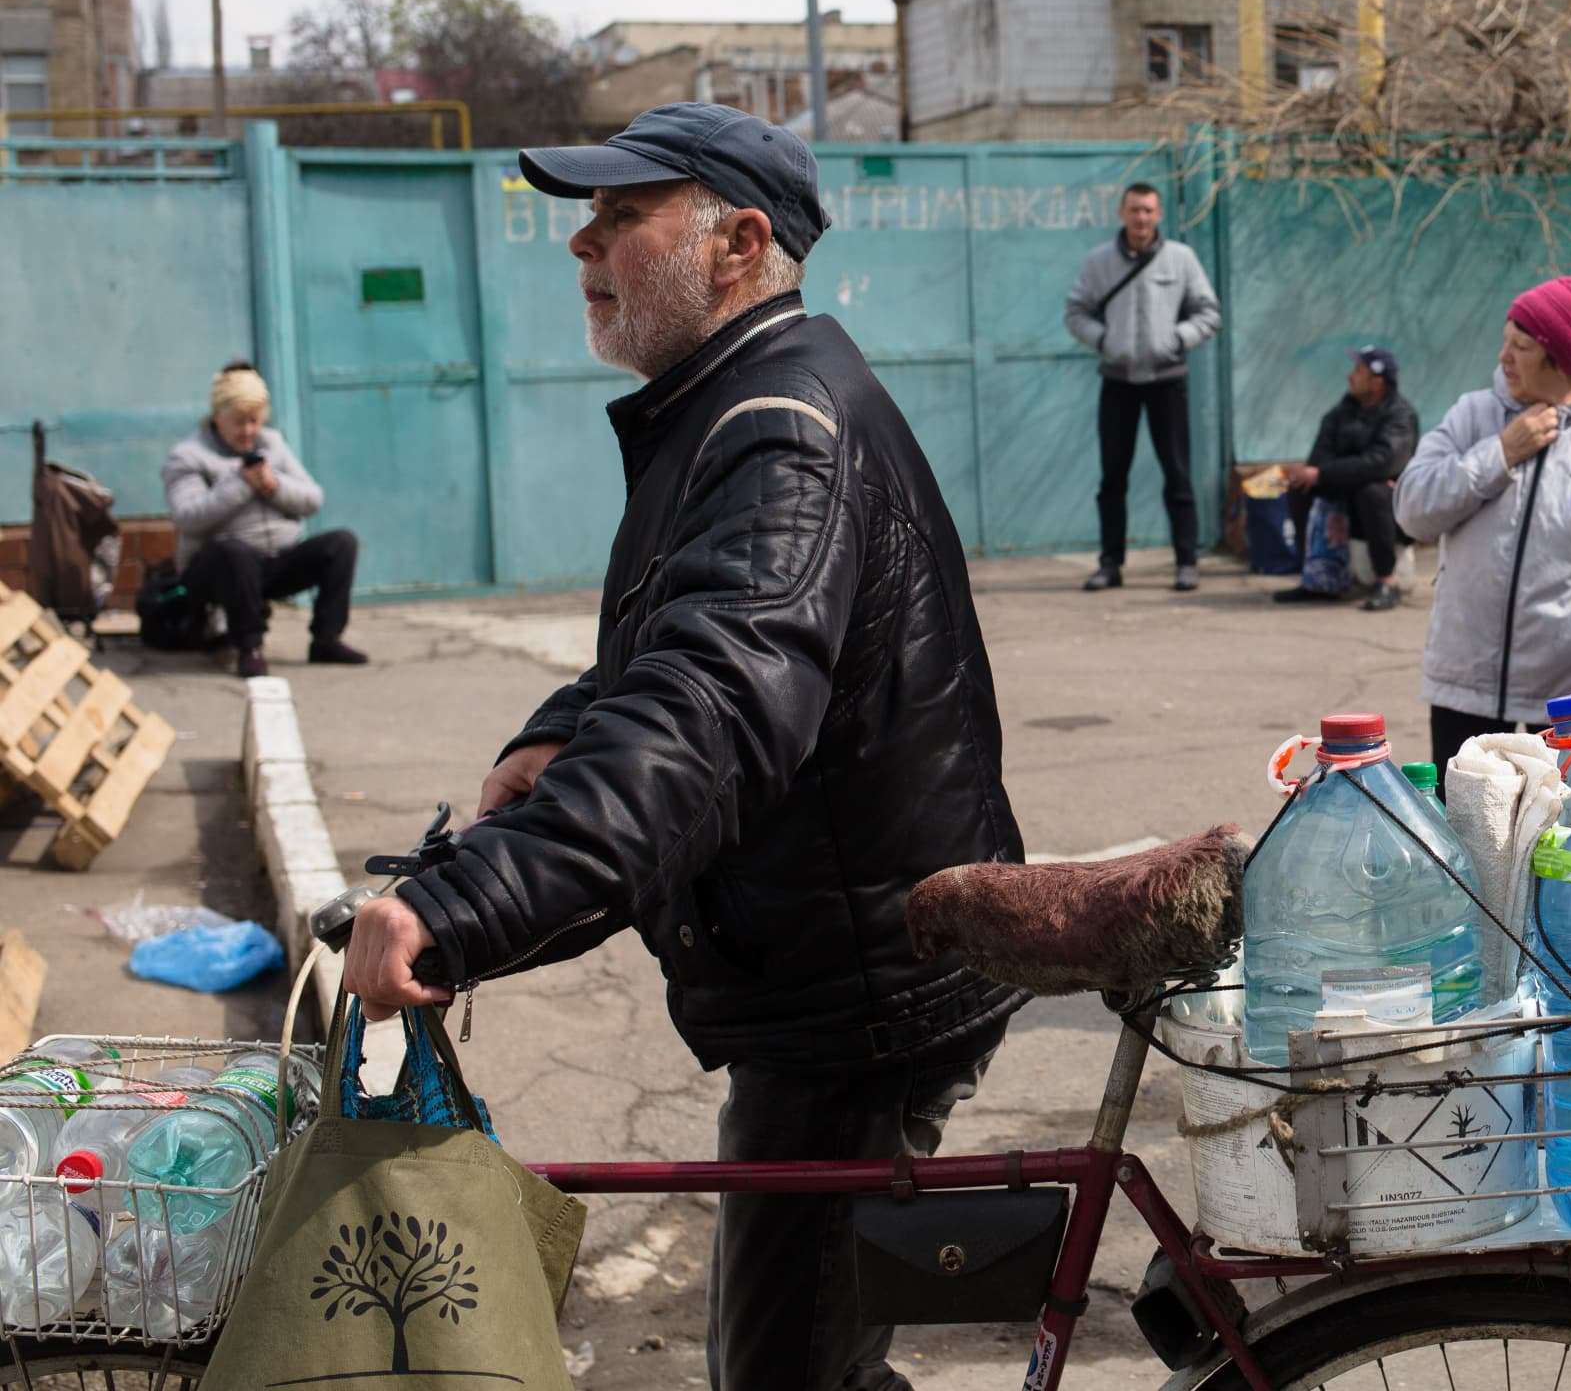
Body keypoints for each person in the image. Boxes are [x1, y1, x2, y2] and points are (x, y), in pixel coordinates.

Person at [339, 103, 1026, 1391]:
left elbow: (707, 718)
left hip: (857, 998)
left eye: (620, 216)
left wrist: (459, 907)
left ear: (738, 244)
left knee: (784, 1375)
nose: (581, 243)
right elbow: (684, 638)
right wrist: (562, 730)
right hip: (830, 972)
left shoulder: (779, 428)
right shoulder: (736, 401)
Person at [1395, 277, 1571, 777]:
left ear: (1563, 360)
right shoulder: (1472, 416)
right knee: (1470, 820)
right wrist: (1501, 453)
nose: (1503, 356)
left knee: (1567, 821)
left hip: (1570, 688)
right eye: (1505, 340)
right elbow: (1412, 509)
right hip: (1465, 680)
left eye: (1521, 346)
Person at [160, 362, 366, 678]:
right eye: (238, 422)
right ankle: (249, 648)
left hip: (273, 560)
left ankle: (327, 639)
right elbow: (187, 517)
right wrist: (240, 485)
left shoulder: (273, 444)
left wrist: (274, 487)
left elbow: (313, 498)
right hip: (216, 570)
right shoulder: (187, 456)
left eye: (254, 421)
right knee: (235, 552)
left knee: (341, 543)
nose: (247, 431)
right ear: (217, 417)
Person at [1064, 182, 1221, 593]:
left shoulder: (1181, 259)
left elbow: (1208, 312)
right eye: (1134, 210)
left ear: (1159, 214)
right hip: (1117, 382)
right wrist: (1103, 340)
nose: (1141, 218)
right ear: (1122, 213)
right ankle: (1110, 564)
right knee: (1112, 478)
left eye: (1149, 210)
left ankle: (1186, 562)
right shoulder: (1098, 261)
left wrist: (1177, 339)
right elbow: (1076, 311)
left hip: (1167, 382)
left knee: (1178, 475)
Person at [1272, 345, 1420, 612]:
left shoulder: (1400, 416)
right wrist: (1332, 474)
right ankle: (1317, 578)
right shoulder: (1341, 412)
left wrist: (1330, 473)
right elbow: (1319, 458)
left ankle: (1387, 581)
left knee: (1374, 492)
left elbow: (1382, 462)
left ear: (1377, 382)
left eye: (1358, 371)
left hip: (1387, 508)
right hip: (1346, 494)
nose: (1350, 376)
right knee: (1302, 488)